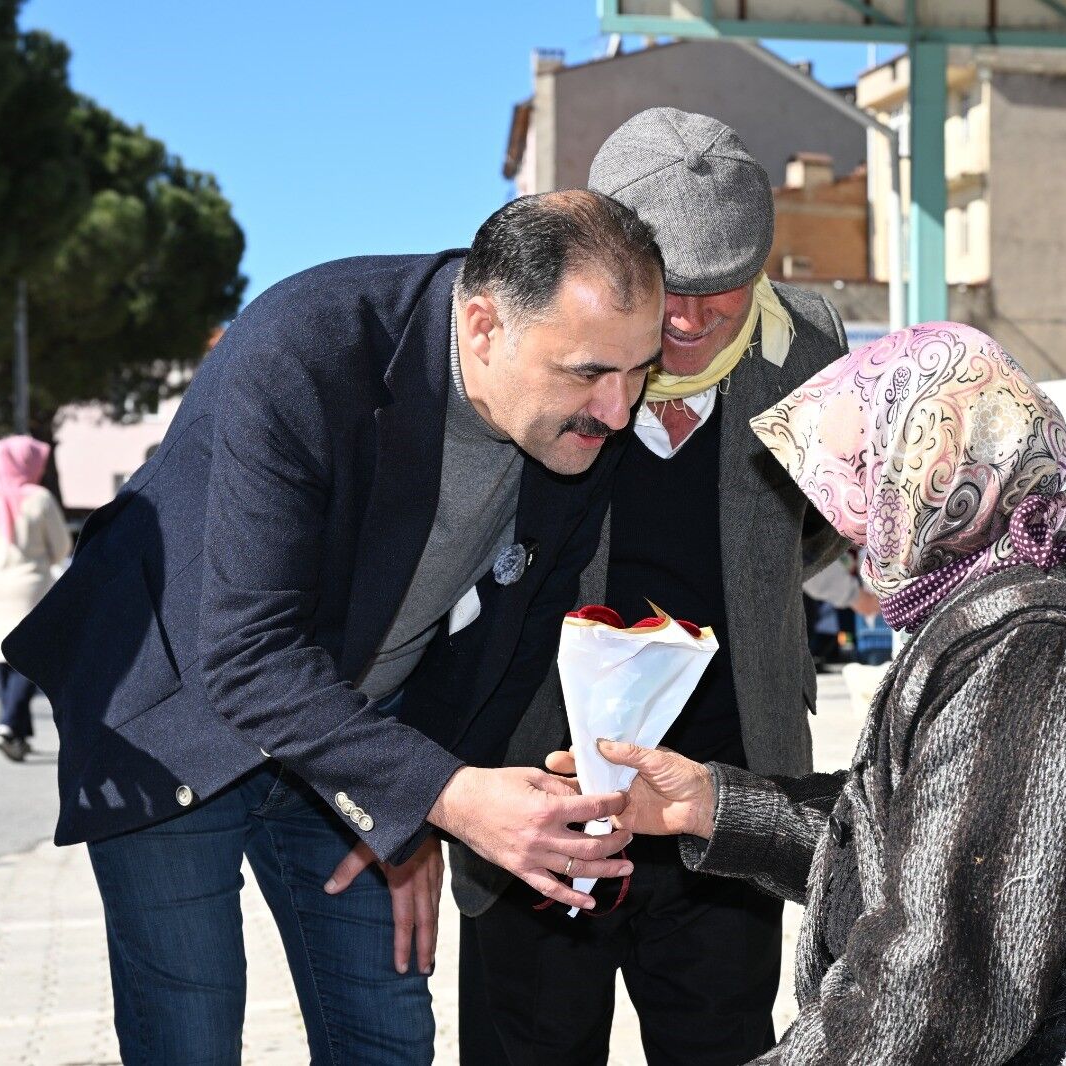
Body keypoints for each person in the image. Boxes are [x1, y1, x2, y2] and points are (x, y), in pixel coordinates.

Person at [1, 191, 664, 1066]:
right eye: (588, 373)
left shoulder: (584, 424)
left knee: (386, 1038)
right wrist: (445, 795)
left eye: (641, 370)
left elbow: (513, 637)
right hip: (174, 711)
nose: (617, 410)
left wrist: (414, 810)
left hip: (354, 724)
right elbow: (247, 656)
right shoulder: (308, 344)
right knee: (190, 1032)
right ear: (483, 327)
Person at [558, 323, 1066, 1064]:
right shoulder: (1008, 599)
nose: (850, 525)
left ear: (930, 473)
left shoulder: (1034, 641)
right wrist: (709, 805)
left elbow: (939, 977)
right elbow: (915, 842)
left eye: (863, 481)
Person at [449, 109, 850, 1066]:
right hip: (543, 801)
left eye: (724, 288)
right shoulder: (536, 339)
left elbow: (818, 532)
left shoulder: (811, 351)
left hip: (729, 802)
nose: (693, 318)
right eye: (673, 285)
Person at [0, 437, 71, 761]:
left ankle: (18, 734)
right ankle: (8, 725)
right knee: (29, 657)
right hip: (28, 587)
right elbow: (61, 547)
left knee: (2, 657)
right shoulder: (40, 498)